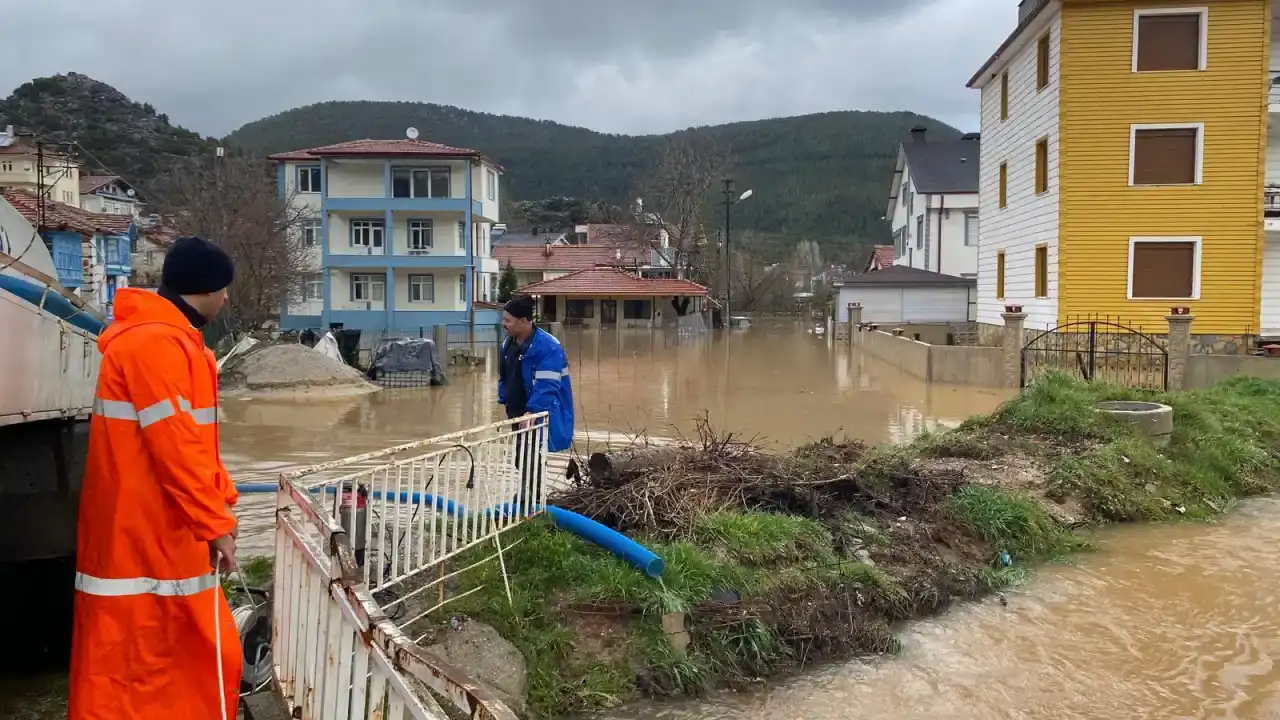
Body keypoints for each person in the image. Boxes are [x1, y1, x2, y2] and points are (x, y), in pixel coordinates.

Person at [69, 236, 242, 720]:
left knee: (165, 654)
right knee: (139, 660)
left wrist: (221, 501)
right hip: (144, 531)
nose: (227, 298)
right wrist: (215, 523)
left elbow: (194, 442)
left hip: (160, 526)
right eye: (223, 288)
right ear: (204, 288)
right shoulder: (156, 344)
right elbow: (175, 448)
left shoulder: (173, 341)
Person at [498, 295, 574, 506]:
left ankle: (531, 498)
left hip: (537, 412)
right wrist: (504, 399)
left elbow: (547, 384)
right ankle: (528, 495)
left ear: (524, 321)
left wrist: (533, 411)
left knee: (530, 453)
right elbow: (504, 375)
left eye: (508, 320)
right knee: (522, 453)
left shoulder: (548, 347)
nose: (504, 324)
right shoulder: (508, 343)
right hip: (517, 410)